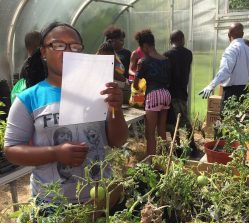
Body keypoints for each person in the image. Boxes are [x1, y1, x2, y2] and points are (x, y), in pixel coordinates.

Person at [4, 22, 128, 204]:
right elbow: (11, 150)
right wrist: (55, 153)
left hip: (101, 200)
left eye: (75, 47)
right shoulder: (29, 98)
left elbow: (118, 141)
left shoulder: (99, 91)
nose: (68, 51)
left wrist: (115, 108)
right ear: (43, 52)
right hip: (53, 204)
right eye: (59, 45)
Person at [199, 23, 249, 112]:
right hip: (246, 92)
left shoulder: (232, 49)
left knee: (228, 121)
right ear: (243, 34)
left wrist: (211, 86)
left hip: (232, 93)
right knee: (243, 121)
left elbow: (225, 70)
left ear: (229, 35)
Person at [133, 29, 171, 155]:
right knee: (161, 129)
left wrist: (138, 89)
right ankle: (164, 157)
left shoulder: (143, 61)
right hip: (166, 94)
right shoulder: (165, 59)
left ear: (144, 46)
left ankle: (150, 160)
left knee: (149, 132)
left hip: (153, 95)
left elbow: (135, 84)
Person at [164, 30, 198, 157]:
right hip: (182, 91)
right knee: (183, 119)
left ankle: (178, 146)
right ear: (182, 39)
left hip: (171, 92)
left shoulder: (167, 55)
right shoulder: (188, 53)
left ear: (170, 40)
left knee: (174, 121)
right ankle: (191, 144)